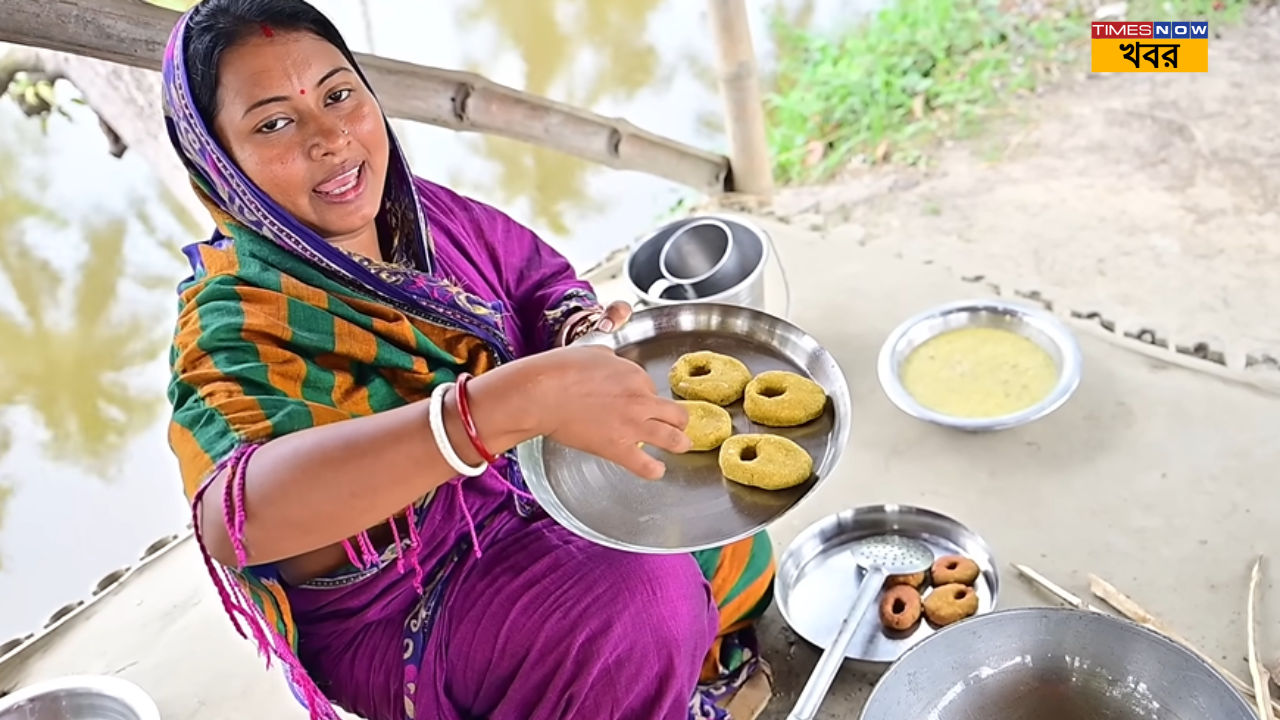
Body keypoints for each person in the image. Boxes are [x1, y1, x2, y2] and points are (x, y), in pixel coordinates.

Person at [159, 1, 776, 719]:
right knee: (637, 603)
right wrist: (492, 413)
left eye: (337, 94)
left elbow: (538, 281)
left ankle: (674, 681)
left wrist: (579, 338)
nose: (330, 138)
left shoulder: (421, 215)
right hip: (412, 602)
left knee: (714, 506)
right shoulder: (235, 324)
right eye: (273, 123)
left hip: (532, 488)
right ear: (216, 160)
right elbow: (239, 519)